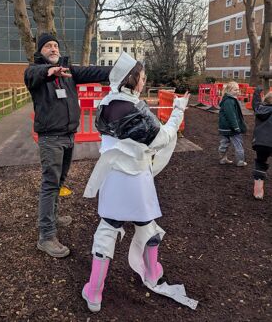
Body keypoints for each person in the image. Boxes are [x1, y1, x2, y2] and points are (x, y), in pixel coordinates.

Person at [81, 52, 197, 312]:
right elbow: (162, 138)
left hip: (112, 177)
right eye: (142, 78)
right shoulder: (135, 109)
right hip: (136, 179)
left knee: (108, 227)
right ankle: (152, 274)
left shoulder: (106, 102)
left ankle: (95, 292)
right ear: (131, 79)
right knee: (147, 225)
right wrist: (178, 110)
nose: (144, 82)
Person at [24, 33, 111, 258]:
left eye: (55, 45)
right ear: (40, 51)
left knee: (59, 182)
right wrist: (49, 71)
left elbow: (93, 72)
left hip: (69, 136)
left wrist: (119, 70)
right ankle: (46, 236)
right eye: (48, 46)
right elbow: (34, 74)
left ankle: (52, 217)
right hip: (51, 139)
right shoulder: (35, 71)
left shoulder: (69, 72)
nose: (53, 49)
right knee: (50, 185)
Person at [218, 81, 247, 166]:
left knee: (224, 142)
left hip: (224, 127)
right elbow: (231, 115)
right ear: (228, 90)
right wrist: (236, 127)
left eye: (238, 89)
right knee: (238, 143)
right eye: (235, 90)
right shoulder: (229, 101)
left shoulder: (228, 100)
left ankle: (223, 159)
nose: (237, 91)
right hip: (231, 127)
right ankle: (240, 161)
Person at [251, 87, 272, 200]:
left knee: (260, 162)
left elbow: (255, 103)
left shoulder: (259, 109)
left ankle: (258, 191)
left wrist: (257, 92)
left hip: (260, 143)